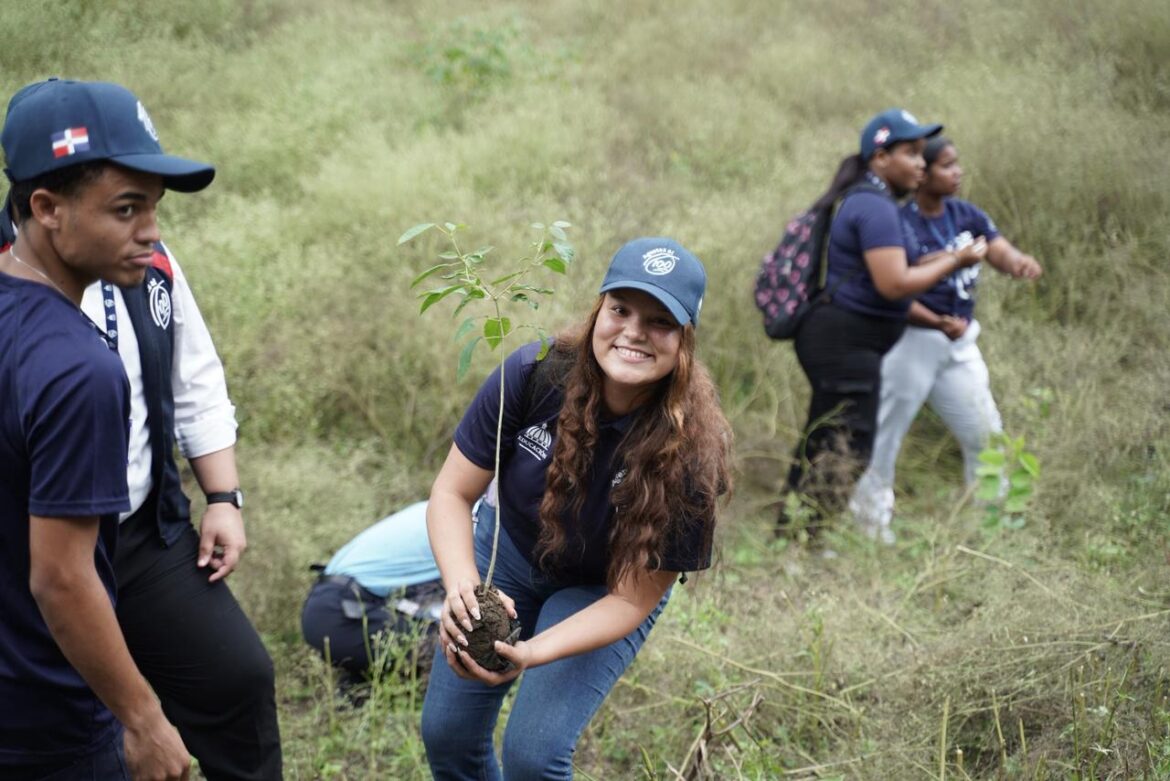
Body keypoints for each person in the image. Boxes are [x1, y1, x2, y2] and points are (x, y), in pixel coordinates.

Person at [0, 79, 282, 781]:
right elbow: (59, 576)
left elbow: (196, 376)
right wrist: (143, 719)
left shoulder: (146, 267)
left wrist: (223, 497)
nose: (151, 230)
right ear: (46, 208)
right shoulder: (65, 358)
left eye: (152, 206)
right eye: (128, 208)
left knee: (237, 677)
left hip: (137, 530)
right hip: (41, 541)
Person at [420, 237, 733, 780]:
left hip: (604, 588)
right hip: (512, 553)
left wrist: (534, 653)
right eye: (621, 309)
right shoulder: (534, 372)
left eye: (660, 322)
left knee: (533, 758)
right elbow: (451, 493)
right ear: (599, 311)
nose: (634, 331)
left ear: (684, 342)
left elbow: (633, 600)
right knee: (447, 735)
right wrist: (462, 588)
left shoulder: (693, 454)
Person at [779, 109, 989, 535]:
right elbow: (894, 283)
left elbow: (907, 263)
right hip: (844, 344)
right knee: (847, 444)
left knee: (828, 438)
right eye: (910, 153)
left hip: (844, 342)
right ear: (879, 158)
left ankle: (797, 536)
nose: (920, 164)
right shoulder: (873, 207)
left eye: (921, 154)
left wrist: (950, 258)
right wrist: (957, 258)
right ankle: (808, 541)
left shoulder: (875, 204)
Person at [850, 135, 1043, 542]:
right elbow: (895, 288)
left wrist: (1018, 262)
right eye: (946, 165)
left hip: (959, 343)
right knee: (886, 434)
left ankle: (993, 524)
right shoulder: (901, 222)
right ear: (924, 174)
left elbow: (998, 248)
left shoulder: (964, 215)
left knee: (986, 433)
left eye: (957, 164)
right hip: (913, 341)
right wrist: (935, 319)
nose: (957, 173)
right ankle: (868, 528)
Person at [301, 500, 445, 680]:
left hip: (330, 602)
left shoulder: (442, 504)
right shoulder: (469, 521)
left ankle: (359, 689)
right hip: (345, 613)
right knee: (454, 645)